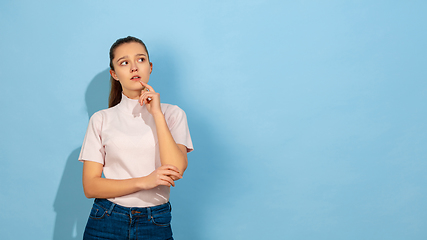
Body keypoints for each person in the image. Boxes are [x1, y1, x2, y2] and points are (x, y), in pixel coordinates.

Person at [78, 36, 193, 240]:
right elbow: (91, 186)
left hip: (155, 221)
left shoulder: (173, 114)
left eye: (140, 60)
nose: (134, 67)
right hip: (106, 218)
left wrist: (157, 114)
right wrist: (144, 181)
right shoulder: (101, 119)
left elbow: (176, 170)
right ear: (114, 73)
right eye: (124, 62)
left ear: (149, 67)